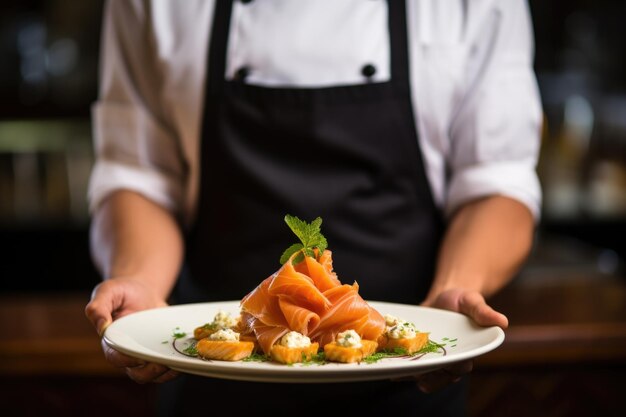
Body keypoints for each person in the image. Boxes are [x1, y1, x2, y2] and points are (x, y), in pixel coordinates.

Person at [85, 0, 542, 416]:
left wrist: (455, 293)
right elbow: (138, 175)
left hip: (411, 381)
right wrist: (141, 282)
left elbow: (498, 181)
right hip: (212, 381)